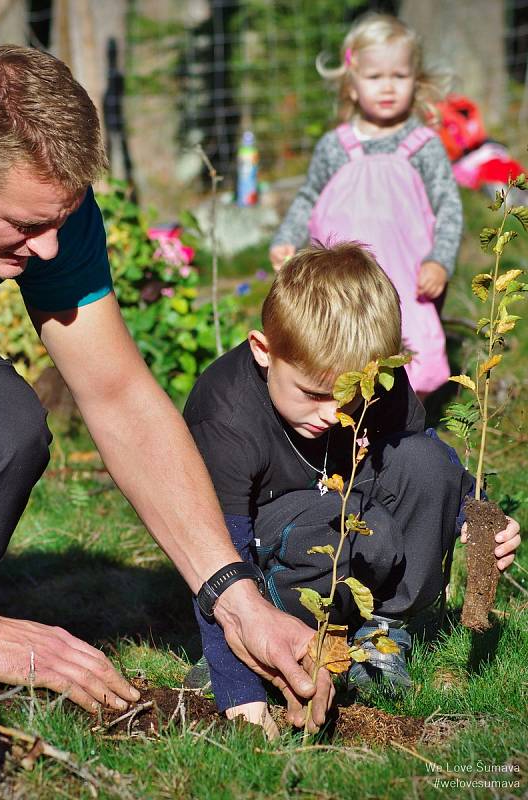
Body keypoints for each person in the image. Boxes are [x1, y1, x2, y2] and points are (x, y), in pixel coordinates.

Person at [0, 46, 334, 732]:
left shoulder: (41, 193)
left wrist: (237, 599)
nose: (50, 250)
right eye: (26, 227)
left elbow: (117, 393)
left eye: (61, 221)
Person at [184, 244, 521, 737]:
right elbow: (215, 550)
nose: (333, 413)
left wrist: (470, 514)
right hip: (263, 559)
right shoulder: (226, 417)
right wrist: (239, 691)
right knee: (369, 533)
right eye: (315, 394)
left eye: (352, 397)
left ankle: (382, 634)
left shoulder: (376, 381)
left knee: (427, 461)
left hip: (346, 514)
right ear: (263, 350)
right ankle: (266, 645)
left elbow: (417, 462)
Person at [269, 12, 461, 398]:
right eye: (375, 77)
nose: (387, 87)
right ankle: (349, 429)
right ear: (352, 85)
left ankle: (406, 426)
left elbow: (449, 207)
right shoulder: (335, 146)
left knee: (413, 353)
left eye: (399, 76)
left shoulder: (423, 146)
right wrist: (287, 237)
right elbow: (309, 197)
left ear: (416, 80)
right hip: (347, 278)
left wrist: (440, 258)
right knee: (341, 345)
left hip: (409, 276)